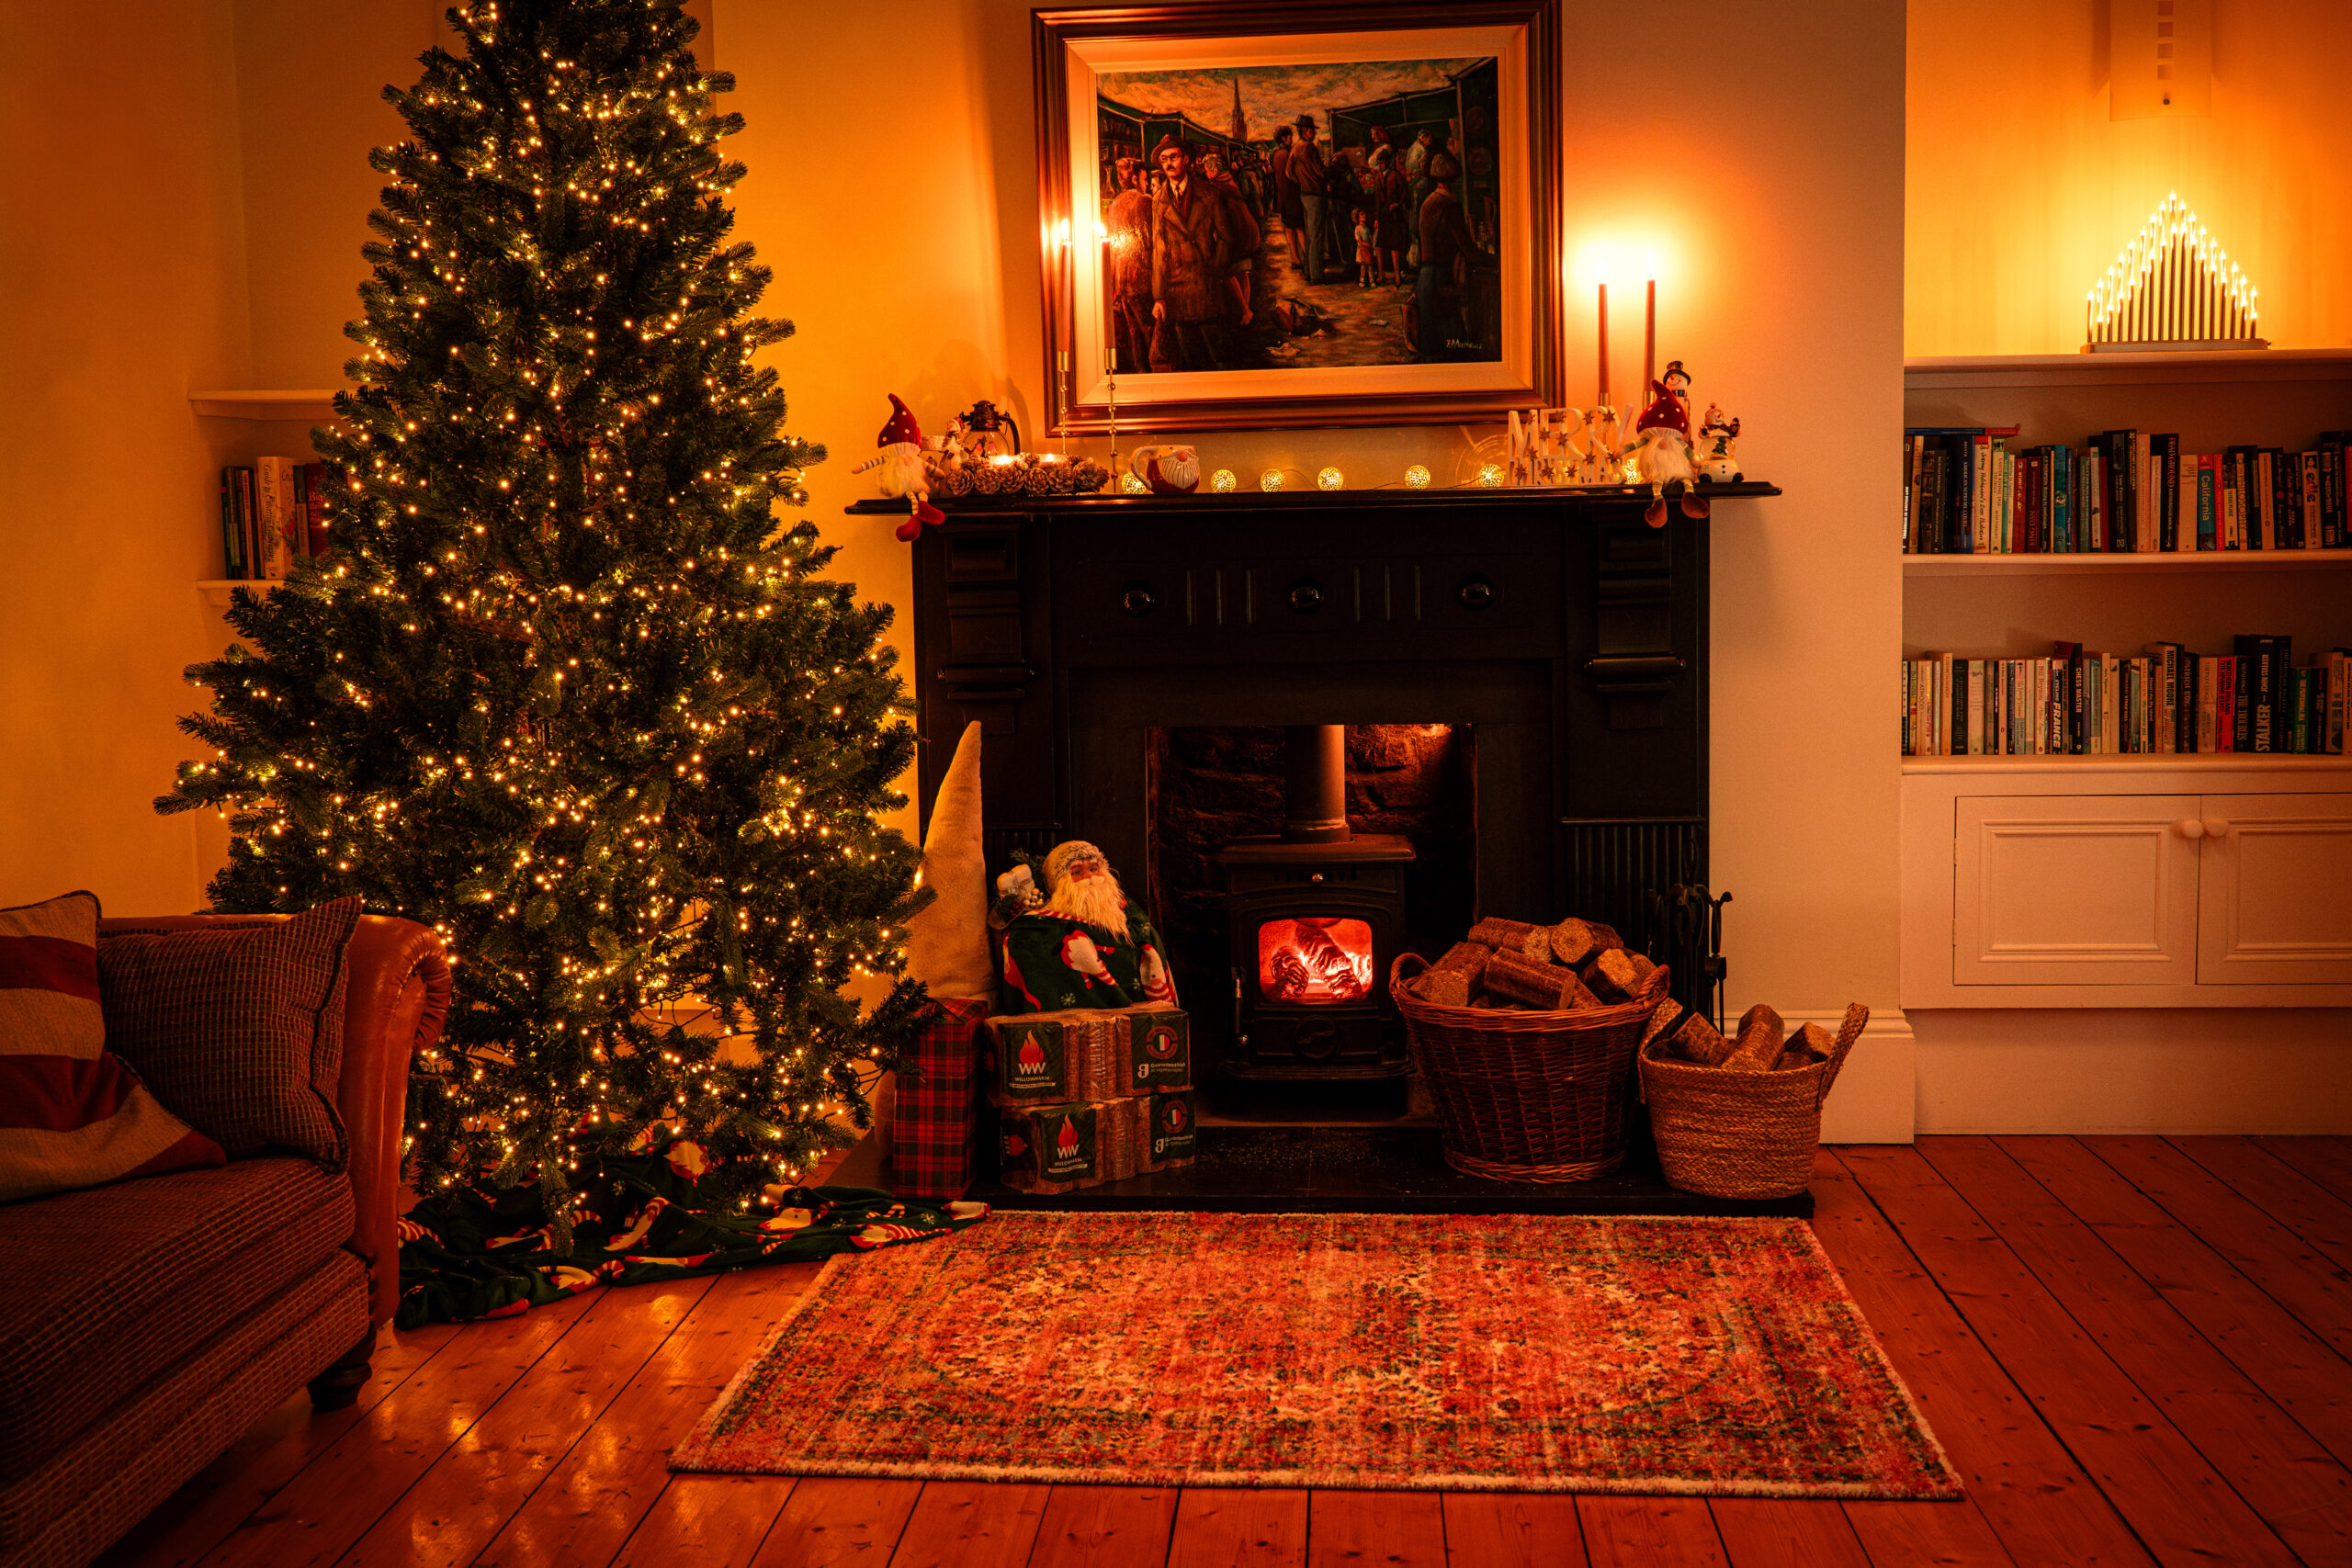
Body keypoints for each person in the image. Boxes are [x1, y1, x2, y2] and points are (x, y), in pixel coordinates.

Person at [1148, 135, 1232, 371]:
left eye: (1173, 157)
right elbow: (1159, 250)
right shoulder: (1158, 202)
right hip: (1177, 292)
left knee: (1220, 359)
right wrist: (1159, 297)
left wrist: (1214, 270)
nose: (1168, 164)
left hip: (1207, 287)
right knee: (1191, 363)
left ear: (1186, 159)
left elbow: (1227, 238)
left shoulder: (1209, 193)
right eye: (1163, 159)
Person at [1414, 152, 1481, 361]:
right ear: (1455, 180)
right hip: (1441, 278)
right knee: (1452, 345)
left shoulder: (1428, 201)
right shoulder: (1450, 206)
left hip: (1425, 278)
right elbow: (1468, 249)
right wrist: (1493, 261)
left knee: (1431, 345)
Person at [1198, 148, 1260, 328]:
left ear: (1215, 170)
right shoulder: (1229, 181)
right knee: (1243, 271)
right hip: (1247, 230)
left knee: (1227, 272)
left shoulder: (1217, 187)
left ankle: (1245, 310)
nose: (1206, 174)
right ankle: (1246, 310)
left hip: (1236, 233)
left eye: (1207, 170)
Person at [1103, 155, 1154, 374]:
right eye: (1144, 178)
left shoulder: (1114, 204)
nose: (1146, 183)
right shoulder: (1143, 201)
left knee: (1135, 337)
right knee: (1152, 333)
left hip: (1122, 281)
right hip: (1141, 278)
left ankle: (1142, 375)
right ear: (1134, 179)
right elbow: (1149, 243)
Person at [1289, 113, 1330, 282]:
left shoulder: (1296, 148)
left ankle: (1308, 271)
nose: (1314, 133)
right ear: (1305, 130)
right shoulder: (1310, 148)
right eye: (1312, 130)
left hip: (1304, 195)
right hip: (1315, 195)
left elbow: (1288, 172)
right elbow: (1321, 171)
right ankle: (1316, 275)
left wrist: (1301, 182)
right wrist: (1331, 170)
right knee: (1316, 236)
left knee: (1309, 235)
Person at [1368, 143, 1407, 288]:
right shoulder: (1377, 177)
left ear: (1388, 162)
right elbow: (1377, 199)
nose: (1380, 165)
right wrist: (1377, 218)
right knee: (1379, 245)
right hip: (1382, 215)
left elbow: (1404, 191)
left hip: (1394, 215)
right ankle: (1380, 274)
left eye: (1383, 163)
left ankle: (1397, 275)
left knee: (1394, 245)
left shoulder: (1395, 175)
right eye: (1379, 163)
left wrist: (1397, 203)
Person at [1268, 125, 1302, 270]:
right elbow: (1293, 176)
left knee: (1289, 229)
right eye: (1289, 137)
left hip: (1283, 198)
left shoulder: (1275, 155)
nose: (1291, 139)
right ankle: (1305, 259)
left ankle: (1296, 259)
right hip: (1292, 197)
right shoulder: (1286, 155)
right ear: (1284, 138)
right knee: (1300, 228)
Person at [1352, 207, 1374, 287]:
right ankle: (1362, 281)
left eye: (1364, 214)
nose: (1364, 216)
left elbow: (1370, 236)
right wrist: (1367, 244)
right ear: (1358, 218)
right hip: (1362, 249)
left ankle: (1372, 280)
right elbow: (1359, 240)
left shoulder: (1367, 228)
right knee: (1363, 266)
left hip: (1368, 249)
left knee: (1370, 265)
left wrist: (1372, 245)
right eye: (1362, 215)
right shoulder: (1357, 228)